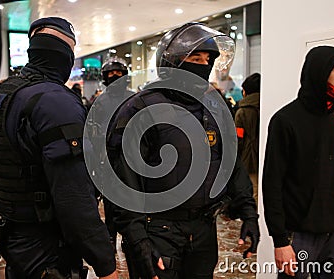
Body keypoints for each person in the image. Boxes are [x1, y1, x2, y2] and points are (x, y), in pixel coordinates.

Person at [106, 22, 260, 279]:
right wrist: (138, 242)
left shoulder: (214, 106)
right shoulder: (140, 108)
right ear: (172, 61)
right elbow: (123, 184)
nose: (203, 64)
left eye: (207, 58)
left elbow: (230, 164)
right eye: (194, 57)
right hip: (157, 230)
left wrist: (249, 214)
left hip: (203, 230)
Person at [0, 17, 117, 279]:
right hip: (47, 246)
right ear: (67, 53)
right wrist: (105, 264)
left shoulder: (2, 93)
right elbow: (74, 200)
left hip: (12, 237)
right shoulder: (55, 102)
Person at [263, 45, 334, 278]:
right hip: (298, 234)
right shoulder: (285, 120)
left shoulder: (331, 118)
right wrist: (280, 241)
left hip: (331, 231)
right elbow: (272, 183)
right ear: (319, 72)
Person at [89, 56, 134, 252]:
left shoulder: (135, 98)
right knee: (110, 206)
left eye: (119, 73)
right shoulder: (99, 102)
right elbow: (92, 134)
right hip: (107, 161)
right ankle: (110, 239)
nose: (115, 76)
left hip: (133, 159)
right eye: (111, 73)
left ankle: (132, 238)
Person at [235, 73, 260, 202]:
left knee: (253, 188)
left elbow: (239, 137)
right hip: (264, 153)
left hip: (249, 156)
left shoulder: (242, 112)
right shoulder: (266, 105)